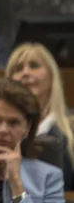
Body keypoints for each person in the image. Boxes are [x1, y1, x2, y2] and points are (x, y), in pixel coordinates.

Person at [7, 43, 74, 190]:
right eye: (18, 69)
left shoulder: (71, 129)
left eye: (34, 66)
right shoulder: (0, 130)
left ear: (51, 76)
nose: (26, 73)